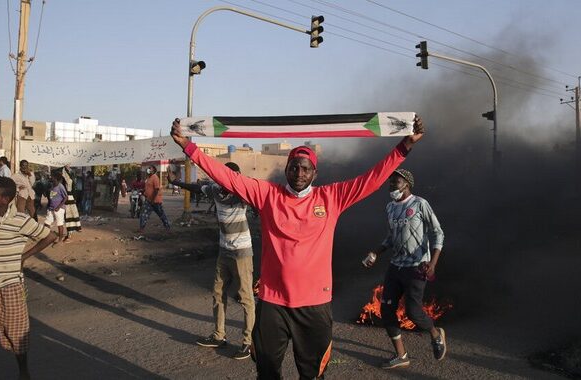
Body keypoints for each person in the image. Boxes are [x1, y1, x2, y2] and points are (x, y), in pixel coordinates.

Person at [171, 116, 424, 379]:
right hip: (272, 304)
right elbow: (226, 177)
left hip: (314, 306)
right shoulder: (268, 194)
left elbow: (371, 178)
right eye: (294, 167)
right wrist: (188, 147)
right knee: (267, 371)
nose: (299, 174)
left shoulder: (331, 197)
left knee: (312, 374)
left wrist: (405, 146)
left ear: (315, 173)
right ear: (286, 169)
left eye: (305, 169)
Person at [168, 163, 255, 360]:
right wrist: (176, 182)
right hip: (224, 251)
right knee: (218, 294)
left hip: (242, 252)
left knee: (246, 298)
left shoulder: (242, 195)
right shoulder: (216, 190)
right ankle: (219, 335)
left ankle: (249, 342)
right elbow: (197, 187)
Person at [362, 168, 446, 369]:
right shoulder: (390, 207)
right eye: (390, 183)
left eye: (395, 183)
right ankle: (401, 355)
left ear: (406, 184)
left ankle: (436, 334)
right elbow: (391, 237)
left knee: (413, 312)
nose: (391, 186)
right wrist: (376, 252)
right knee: (387, 310)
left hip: (417, 267)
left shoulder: (420, 204)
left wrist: (433, 263)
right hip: (396, 266)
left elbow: (438, 233)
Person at [0, 177, 57, 379]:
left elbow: (50, 236)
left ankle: (23, 371)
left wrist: (24, 256)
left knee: (17, 332)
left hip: (10, 285)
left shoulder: (20, 221)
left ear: (5, 199)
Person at [138, 165, 171, 233]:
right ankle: (141, 228)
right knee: (143, 213)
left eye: (150, 169)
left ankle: (167, 227)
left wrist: (152, 200)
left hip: (155, 201)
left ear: (153, 170)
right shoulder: (148, 178)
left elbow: (156, 189)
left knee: (161, 214)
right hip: (149, 200)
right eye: (148, 168)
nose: (148, 169)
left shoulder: (155, 177)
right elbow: (148, 188)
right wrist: (144, 191)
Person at [45, 172, 67, 245]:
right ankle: (47, 237)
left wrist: (58, 207)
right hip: (51, 208)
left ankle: (60, 240)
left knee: (59, 224)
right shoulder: (51, 185)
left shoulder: (60, 186)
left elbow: (65, 197)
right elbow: (50, 197)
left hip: (59, 209)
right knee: (47, 223)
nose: (51, 178)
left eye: (52, 177)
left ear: (56, 178)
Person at [60, 165, 81, 242]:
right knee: (63, 217)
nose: (68, 168)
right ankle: (64, 234)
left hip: (69, 198)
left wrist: (74, 198)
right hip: (64, 198)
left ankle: (69, 234)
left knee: (69, 216)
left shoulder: (70, 176)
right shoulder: (62, 176)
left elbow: (73, 188)